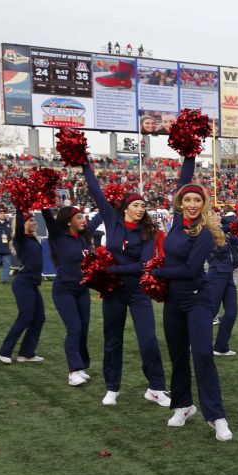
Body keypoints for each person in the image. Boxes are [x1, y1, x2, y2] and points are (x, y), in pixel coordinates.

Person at [150, 161, 233, 441]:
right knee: (177, 356)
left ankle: (216, 416)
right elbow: (182, 179)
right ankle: (184, 405)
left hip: (198, 300)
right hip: (173, 301)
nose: (192, 204)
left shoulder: (206, 234)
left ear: (204, 204)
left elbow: (188, 271)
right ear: (180, 203)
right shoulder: (174, 223)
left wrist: (155, 271)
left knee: (201, 354)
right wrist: (189, 153)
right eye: (187, 199)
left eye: (197, 200)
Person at [80, 159, 171, 407]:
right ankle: (112, 387)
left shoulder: (149, 232)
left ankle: (156, 388)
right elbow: (96, 191)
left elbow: (143, 264)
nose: (140, 209)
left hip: (137, 290)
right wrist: (84, 164)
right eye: (136, 205)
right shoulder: (111, 219)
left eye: (143, 205)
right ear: (127, 207)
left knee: (149, 339)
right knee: (112, 339)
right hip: (113, 291)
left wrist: (112, 268)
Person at [42, 203, 94, 386]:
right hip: (64, 290)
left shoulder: (83, 237)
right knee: (74, 329)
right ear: (68, 221)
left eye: (83, 217)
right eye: (79, 217)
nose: (83, 220)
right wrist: (43, 199)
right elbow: (47, 216)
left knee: (84, 329)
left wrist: (112, 203)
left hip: (82, 290)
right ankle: (72, 372)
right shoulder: (58, 236)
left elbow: (103, 216)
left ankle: (81, 367)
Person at [0, 210, 46, 364]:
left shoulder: (34, 239)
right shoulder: (20, 238)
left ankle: (26, 353)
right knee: (26, 316)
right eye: (30, 220)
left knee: (39, 317)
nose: (34, 222)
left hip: (32, 283)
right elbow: (18, 229)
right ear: (22, 224)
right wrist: (19, 206)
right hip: (23, 283)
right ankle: (4, 351)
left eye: (34, 220)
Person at [208, 210, 238, 357]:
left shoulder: (225, 235)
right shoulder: (207, 234)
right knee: (210, 312)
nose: (219, 217)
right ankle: (197, 341)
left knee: (231, 312)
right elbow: (228, 227)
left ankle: (221, 346)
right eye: (215, 215)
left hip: (228, 276)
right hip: (216, 275)